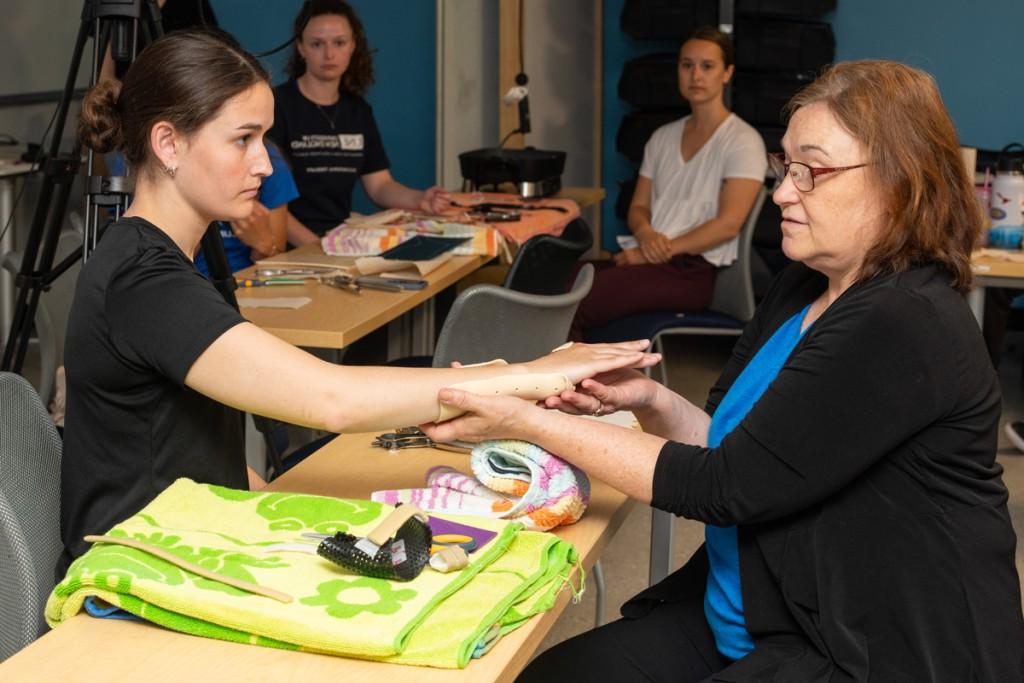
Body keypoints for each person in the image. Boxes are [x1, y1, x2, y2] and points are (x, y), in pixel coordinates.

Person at [424, 60, 1024, 681]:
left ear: (899, 183)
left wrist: (526, 423)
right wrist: (650, 401)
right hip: (761, 609)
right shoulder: (802, 285)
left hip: (867, 647)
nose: (785, 192)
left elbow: (723, 486)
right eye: (784, 167)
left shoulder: (905, 318)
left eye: (811, 171)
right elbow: (735, 447)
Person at [62, 29, 658, 575]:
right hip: (132, 573)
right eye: (243, 139)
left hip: (184, 540)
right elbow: (332, 400)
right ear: (167, 142)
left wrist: (278, 507)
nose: (264, 164)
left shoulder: (182, 260)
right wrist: (528, 374)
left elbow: (185, 444)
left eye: (263, 138)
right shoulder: (143, 279)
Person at [571, 27, 766, 340]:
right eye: (686, 65)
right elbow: (638, 207)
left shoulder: (743, 141)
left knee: (573, 302)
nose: (696, 76)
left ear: (727, 73)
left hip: (691, 272)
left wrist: (654, 252)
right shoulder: (662, 137)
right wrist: (646, 234)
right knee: (562, 281)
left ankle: (570, 387)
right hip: (649, 256)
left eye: (707, 66)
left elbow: (728, 225)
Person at [268, 0, 449, 245]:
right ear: (300, 47)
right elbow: (271, 202)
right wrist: (316, 249)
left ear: (353, 46)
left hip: (340, 240)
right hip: (293, 247)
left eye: (339, 43)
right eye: (317, 44)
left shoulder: (358, 111)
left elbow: (380, 185)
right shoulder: (276, 105)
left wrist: (421, 199)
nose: (329, 54)